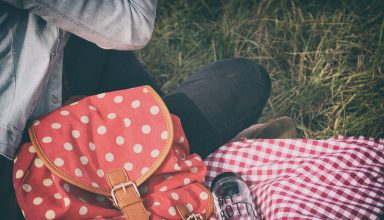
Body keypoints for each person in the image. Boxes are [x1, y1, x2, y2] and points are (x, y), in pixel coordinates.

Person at [0, 1, 272, 218]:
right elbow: (133, 24)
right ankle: (185, 150)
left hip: (52, 136)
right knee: (243, 79)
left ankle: (167, 146)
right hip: (19, 183)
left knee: (91, 43)